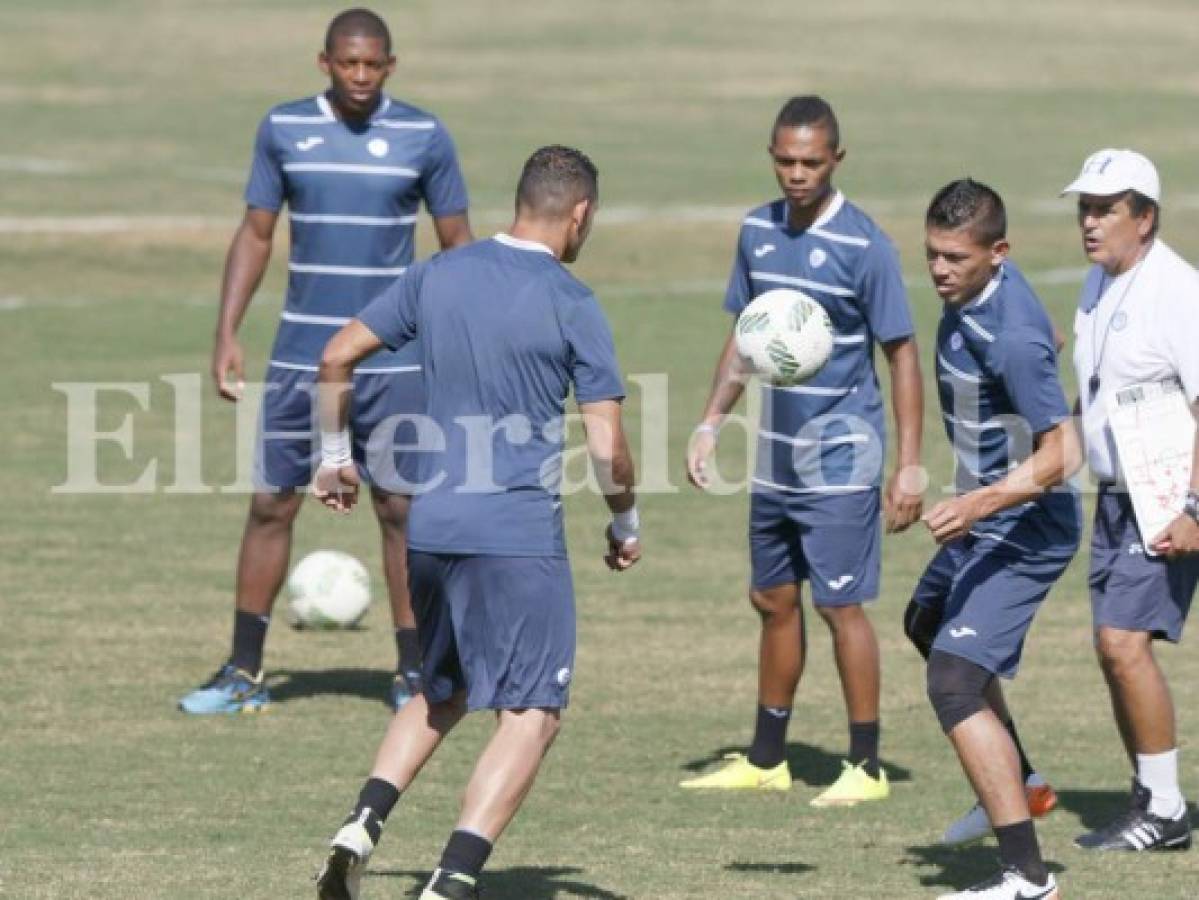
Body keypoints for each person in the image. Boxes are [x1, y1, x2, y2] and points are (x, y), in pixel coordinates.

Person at [310, 146, 640, 900]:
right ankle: (451, 883)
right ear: (580, 214)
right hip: (515, 537)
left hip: (431, 529)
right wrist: (625, 521)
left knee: (439, 691)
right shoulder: (571, 301)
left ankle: (360, 823)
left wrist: (335, 459)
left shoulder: (438, 273)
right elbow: (605, 445)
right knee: (531, 714)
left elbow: (335, 358)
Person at [178, 8, 472, 715]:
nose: (362, 77)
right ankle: (243, 672)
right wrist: (227, 332)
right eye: (349, 64)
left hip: (394, 361)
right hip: (300, 360)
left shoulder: (424, 136)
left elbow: (458, 245)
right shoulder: (283, 130)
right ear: (325, 62)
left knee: (401, 510)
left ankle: (412, 673)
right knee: (270, 505)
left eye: (374, 65)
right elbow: (255, 234)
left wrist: (466, 342)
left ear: (391, 66)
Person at [680, 95, 923, 807]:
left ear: (835, 160)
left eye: (810, 162)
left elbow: (902, 355)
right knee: (772, 598)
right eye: (784, 159)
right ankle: (766, 758)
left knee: (838, 606)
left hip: (843, 457)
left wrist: (908, 463)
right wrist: (708, 421)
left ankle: (866, 766)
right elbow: (745, 333)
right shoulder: (755, 229)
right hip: (775, 457)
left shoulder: (865, 245)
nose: (795, 173)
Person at [908, 179, 1081, 900]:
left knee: (951, 679)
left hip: (1027, 526)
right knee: (924, 622)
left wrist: (976, 502)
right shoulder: (978, 299)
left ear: (997, 253)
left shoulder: (1006, 332)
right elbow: (1049, 343)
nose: (940, 270)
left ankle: (1026, 876)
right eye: (931, 255)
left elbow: (1061, 454)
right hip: (989, 517)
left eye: (955, 258)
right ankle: (1019, 779)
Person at [1065, 148, 1199, 852]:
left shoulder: (1177, 291)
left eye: (1105, 209)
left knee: (1123, 643)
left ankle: (1168, 809)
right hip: (1113, 498)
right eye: (1084, 208)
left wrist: (1193, 508)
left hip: (1163, 498)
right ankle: (1149, 795)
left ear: (1143, 219)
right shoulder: (1095, 282)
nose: (1089, 222)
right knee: (1110, 647)